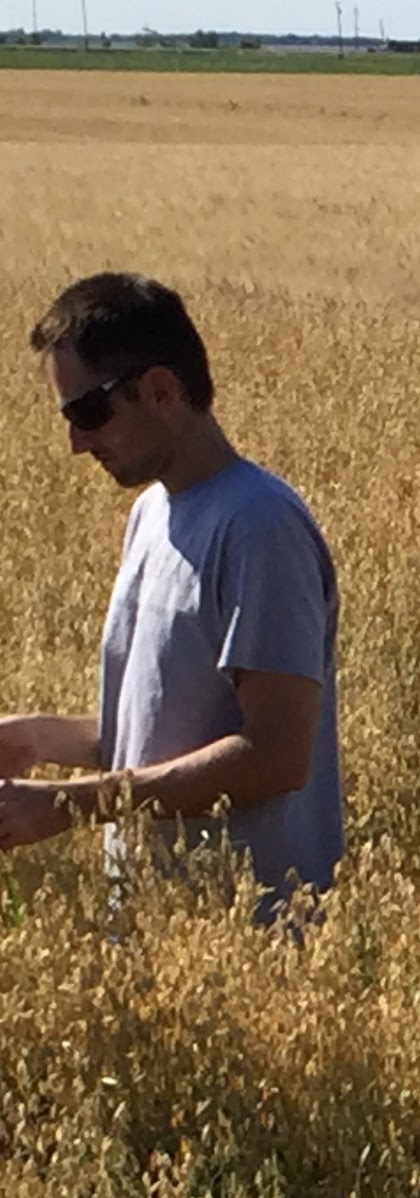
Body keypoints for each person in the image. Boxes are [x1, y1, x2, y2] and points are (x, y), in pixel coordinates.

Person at [0, 273, 343, 920]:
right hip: (162, 935)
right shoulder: (152, 514)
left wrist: (69, 805)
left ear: (161, 390)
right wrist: (38, 738)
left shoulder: (259, 527)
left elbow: (275, 756)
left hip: (251, 939)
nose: (75, 442)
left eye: (87, 413)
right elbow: (162, 732)